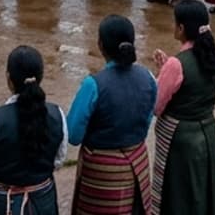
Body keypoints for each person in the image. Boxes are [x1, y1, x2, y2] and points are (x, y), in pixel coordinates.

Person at [0, 45, 68, 215]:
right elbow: (59, 160)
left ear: (9, 79)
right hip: (43, 202)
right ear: (41, 77)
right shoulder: (58, 114)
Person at [67, 14, 156, 215]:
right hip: (137, 164)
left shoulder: (93, 85)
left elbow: (73, 135)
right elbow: (147, 118)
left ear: (100, 45)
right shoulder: (148, 77)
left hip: (102, 175)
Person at [149, 0, 215, 213]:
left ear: (181, 28)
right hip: (207, 132)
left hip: (180, 139)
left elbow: (156, 106)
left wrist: (162, 74)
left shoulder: (177, 63)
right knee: (202, 190)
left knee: (179, 194)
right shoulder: (213, 58)